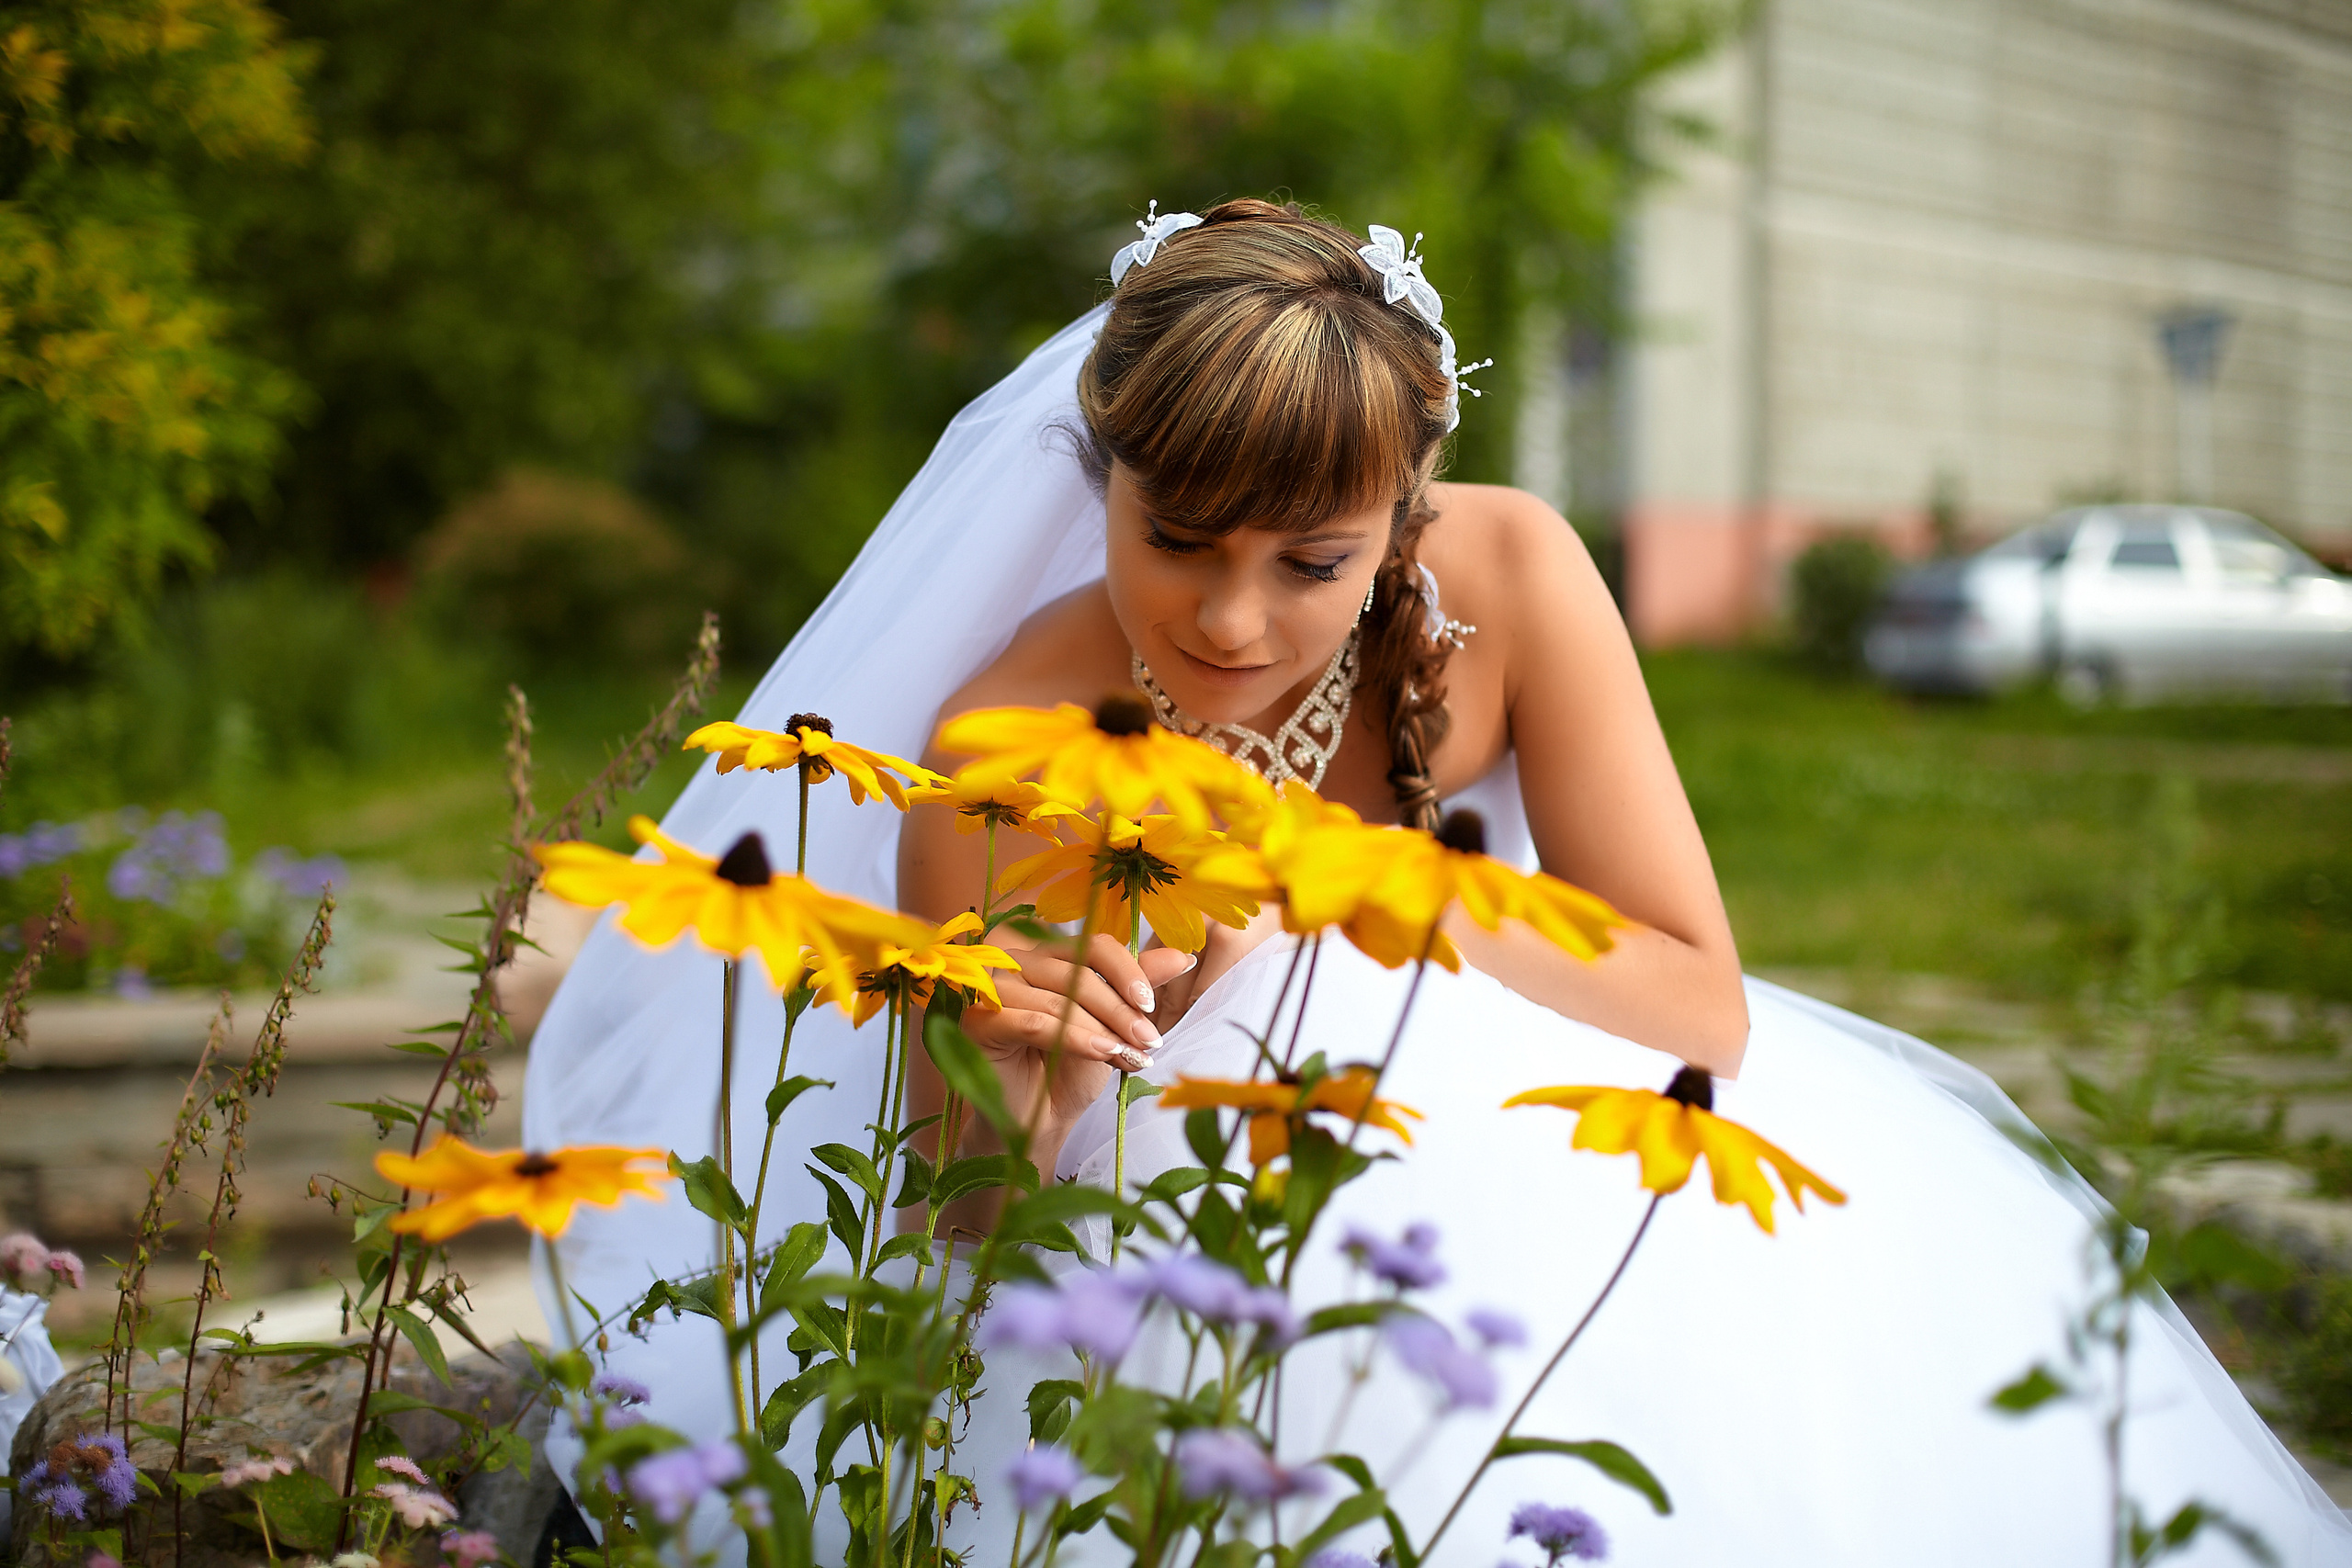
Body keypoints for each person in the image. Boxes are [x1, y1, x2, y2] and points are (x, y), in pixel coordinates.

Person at [524, 201, 2352, 1565]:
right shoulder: (1009, 726)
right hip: (1197, 1241)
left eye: (1308, 561)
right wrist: (1002, 1064)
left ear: (1404, 514)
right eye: (1175, 541)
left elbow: (1694, 996)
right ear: (1097, 476)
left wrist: (1335, 877)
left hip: (1543, 1110)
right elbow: (967, 1229)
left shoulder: (1517, 574)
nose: (1232, 620)